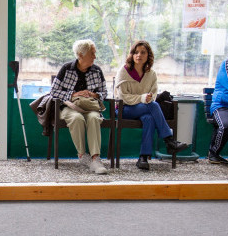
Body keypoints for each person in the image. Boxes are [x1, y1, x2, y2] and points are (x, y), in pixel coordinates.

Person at [38, 39, 109, 174]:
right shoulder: (66, 68)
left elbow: (104, 92)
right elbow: (53, 92)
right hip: (68, 107)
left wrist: (93, 95)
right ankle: (82, 155)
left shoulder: (97, 70)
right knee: (77, 118)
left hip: (90, 107)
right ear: (80, 55)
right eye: (92, 53)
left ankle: (95, 158)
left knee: (94, 117)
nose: (95, 56)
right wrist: (74, 94)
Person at [115, 40, 188, 170]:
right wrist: (143, 98)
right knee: (153, 106)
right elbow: (122, 97)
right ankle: (169, 140)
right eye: (136, 52)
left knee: (149, 118)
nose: (139, 55)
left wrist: (147, 98)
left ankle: (143, 158)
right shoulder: (124, 71)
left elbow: (153, 94)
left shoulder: (151, 74)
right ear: (131, 54)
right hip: (124, 109)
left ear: (148, 55)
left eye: (143, 52)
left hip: (144, 109)